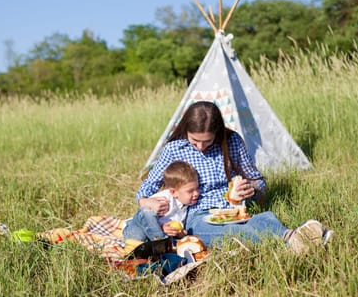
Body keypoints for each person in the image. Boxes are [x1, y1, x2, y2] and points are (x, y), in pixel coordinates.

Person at [136, 101, 334, 254]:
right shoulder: (174, 149)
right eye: (195, 140)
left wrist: (252, 190)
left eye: (207, 141)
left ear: (218, 132)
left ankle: (294, 239)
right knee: (223, 233)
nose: (201, 147)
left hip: (234, 210)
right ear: (185, 130)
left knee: (263, 218)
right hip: (197, 215)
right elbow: (146, 189)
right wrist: (147, 202)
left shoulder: (231, 142)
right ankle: (300, 239)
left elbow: (257, 181)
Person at [123, 160, 200, 243]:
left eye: (197, 188)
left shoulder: (186, 206)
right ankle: (163, 245)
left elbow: (178, 226)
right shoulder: (163, 199)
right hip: (135, 233)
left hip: (151, 240)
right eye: (190, 191)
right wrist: (160, 227)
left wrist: (180, 233)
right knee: (147, 212)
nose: (196, 193)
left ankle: (162, 245)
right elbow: (146, 217)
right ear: (173, 192)